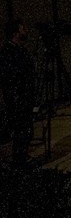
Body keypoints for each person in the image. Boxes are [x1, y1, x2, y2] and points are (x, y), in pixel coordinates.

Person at [0, 20, 36, 164]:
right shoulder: (7, 52)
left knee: (26, 128)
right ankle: (20, 159)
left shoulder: (20, 50)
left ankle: (22, 156)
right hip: (17, 97)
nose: (25, 31)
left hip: (23, 95)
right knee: (21, 128)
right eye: (22, 29)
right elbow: (10, 76)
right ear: (15, 33)